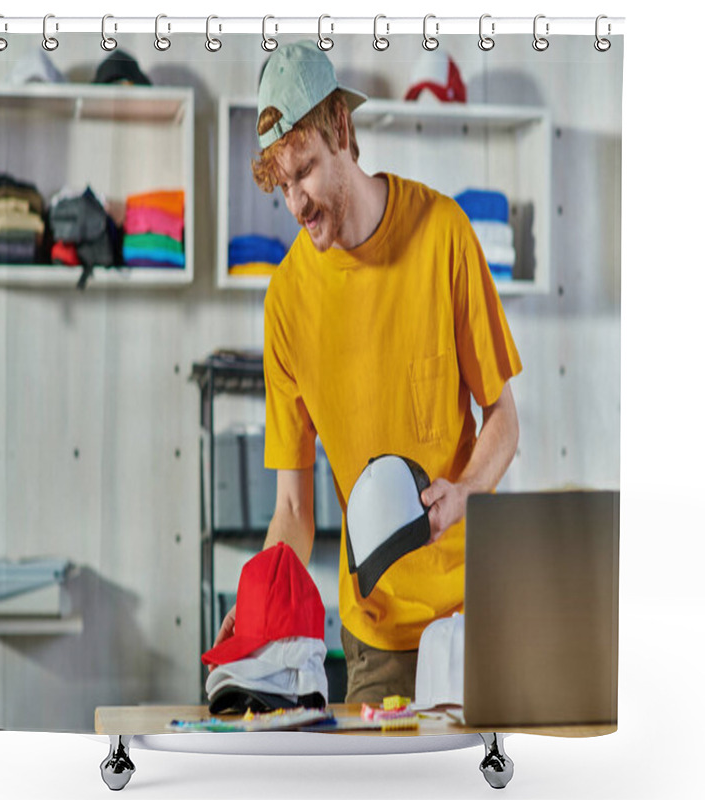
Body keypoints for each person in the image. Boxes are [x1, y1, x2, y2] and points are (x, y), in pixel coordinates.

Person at [213, 40, 522, 703]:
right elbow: (293, 507)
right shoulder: (288, 301)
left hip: (476, 608)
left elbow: (505, 419)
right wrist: (263, 595)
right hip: (375, 633)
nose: (296, 202)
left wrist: (465, 491)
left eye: (307, 172)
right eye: (283, 184)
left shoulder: (444, 234)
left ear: (343, 132)